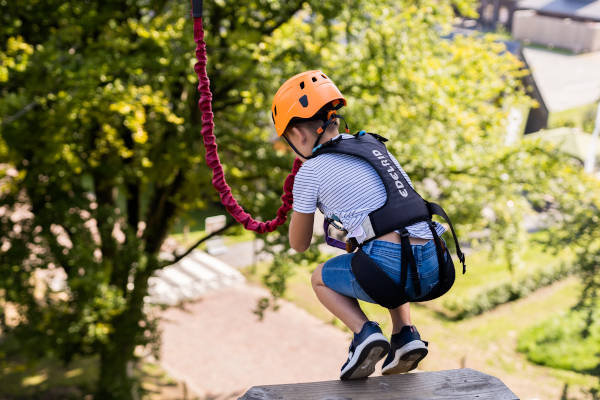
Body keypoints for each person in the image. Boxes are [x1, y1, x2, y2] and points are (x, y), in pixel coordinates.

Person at [271, 70, 449, 380]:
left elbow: (299, 244)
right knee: (391, 246)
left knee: (319, 279)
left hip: (391, 269)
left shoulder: (310, 172)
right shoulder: (373, 146)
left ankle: (365, 334)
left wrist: (303, 188)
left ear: (298, 135)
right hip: (437, 260)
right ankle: (405, 334)